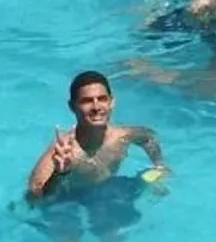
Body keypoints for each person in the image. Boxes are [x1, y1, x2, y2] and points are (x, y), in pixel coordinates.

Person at [26, 71, 168, 203]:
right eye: (87, 101)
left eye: (102, 99)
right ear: (72, 107)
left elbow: (148, 138)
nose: (96, 107)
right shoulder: (65, 152)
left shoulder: (124, 136)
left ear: (112, 102)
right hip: (70, 198)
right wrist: (60, 174)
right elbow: (34, 197)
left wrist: (160, 166)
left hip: (107, 190)